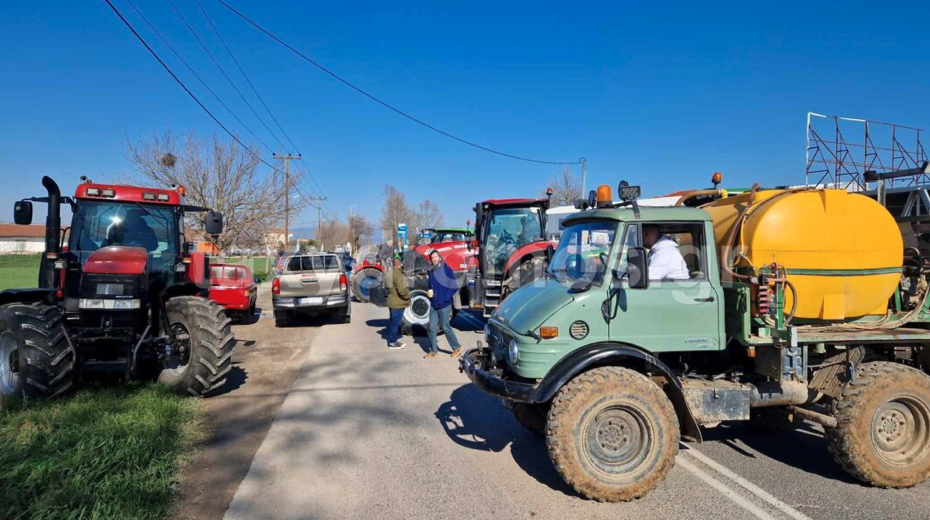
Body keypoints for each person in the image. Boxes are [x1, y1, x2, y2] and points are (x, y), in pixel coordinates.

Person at [425, 250, 462, 359]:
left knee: (445, 327)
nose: (434, 259)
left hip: (444, 304)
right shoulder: (431, 271)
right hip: (434, 304)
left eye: (436, 257)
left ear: (440, 258)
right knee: (431, 328)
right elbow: (430, 285)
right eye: (432, 258)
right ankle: (433, 351)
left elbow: (454, 286)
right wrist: (430, 292)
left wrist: (446, 298)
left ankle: (457, 347)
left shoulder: (447, 269)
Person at [386, 256, 410, 350]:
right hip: (398, 303)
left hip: (391, 300)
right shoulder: (398, 275)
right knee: (395, 323)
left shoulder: (388, 273)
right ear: (399, 265)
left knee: (392, 322)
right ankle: (392, 343)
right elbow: (402, 290)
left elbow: (386, 285)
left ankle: (392, 340)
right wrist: (408, 296)